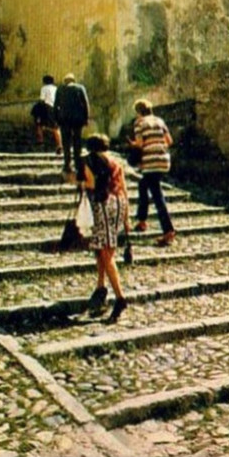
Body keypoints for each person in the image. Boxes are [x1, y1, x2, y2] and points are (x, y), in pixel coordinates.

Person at [82, 134, 129, 323]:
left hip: (103, 204)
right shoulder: (117, 162)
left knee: (106, 253)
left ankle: (120, 297)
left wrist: (80, 182)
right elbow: (124, 187)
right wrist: (127, 219)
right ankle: (100, 287)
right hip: (119, 203)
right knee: (102, 248)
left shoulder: (90, 161)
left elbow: (91, 184)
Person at [129, 99, 175, 246]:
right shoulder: (160, 121)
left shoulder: (139, 123)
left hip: (150, 161)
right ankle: (142, 221)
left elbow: (140, 143)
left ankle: (168, 230)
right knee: (143, 185)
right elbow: (169, 140)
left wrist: (133, 144)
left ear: (138, 111)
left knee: (157, 195)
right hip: (163, 159)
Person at [54, 73, 89, 180]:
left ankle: (67, 164)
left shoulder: (60, 89)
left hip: (64, 119)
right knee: (77, 141)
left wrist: (56, 119)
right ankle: (78, 164)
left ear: (65, 81)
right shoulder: (80, 88)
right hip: (78, 119)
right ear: (74, 80)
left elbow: (56, 105)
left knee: (66, 142)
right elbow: (85, 104)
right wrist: (86, 118)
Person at [31, 74, 62, 153]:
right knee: (56, 128)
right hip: (56, 108)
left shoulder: (44, 88)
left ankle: (40, 140)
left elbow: (42, 100)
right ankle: (59, 145)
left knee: (39, 124)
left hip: (47, 108)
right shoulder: (56, 89)